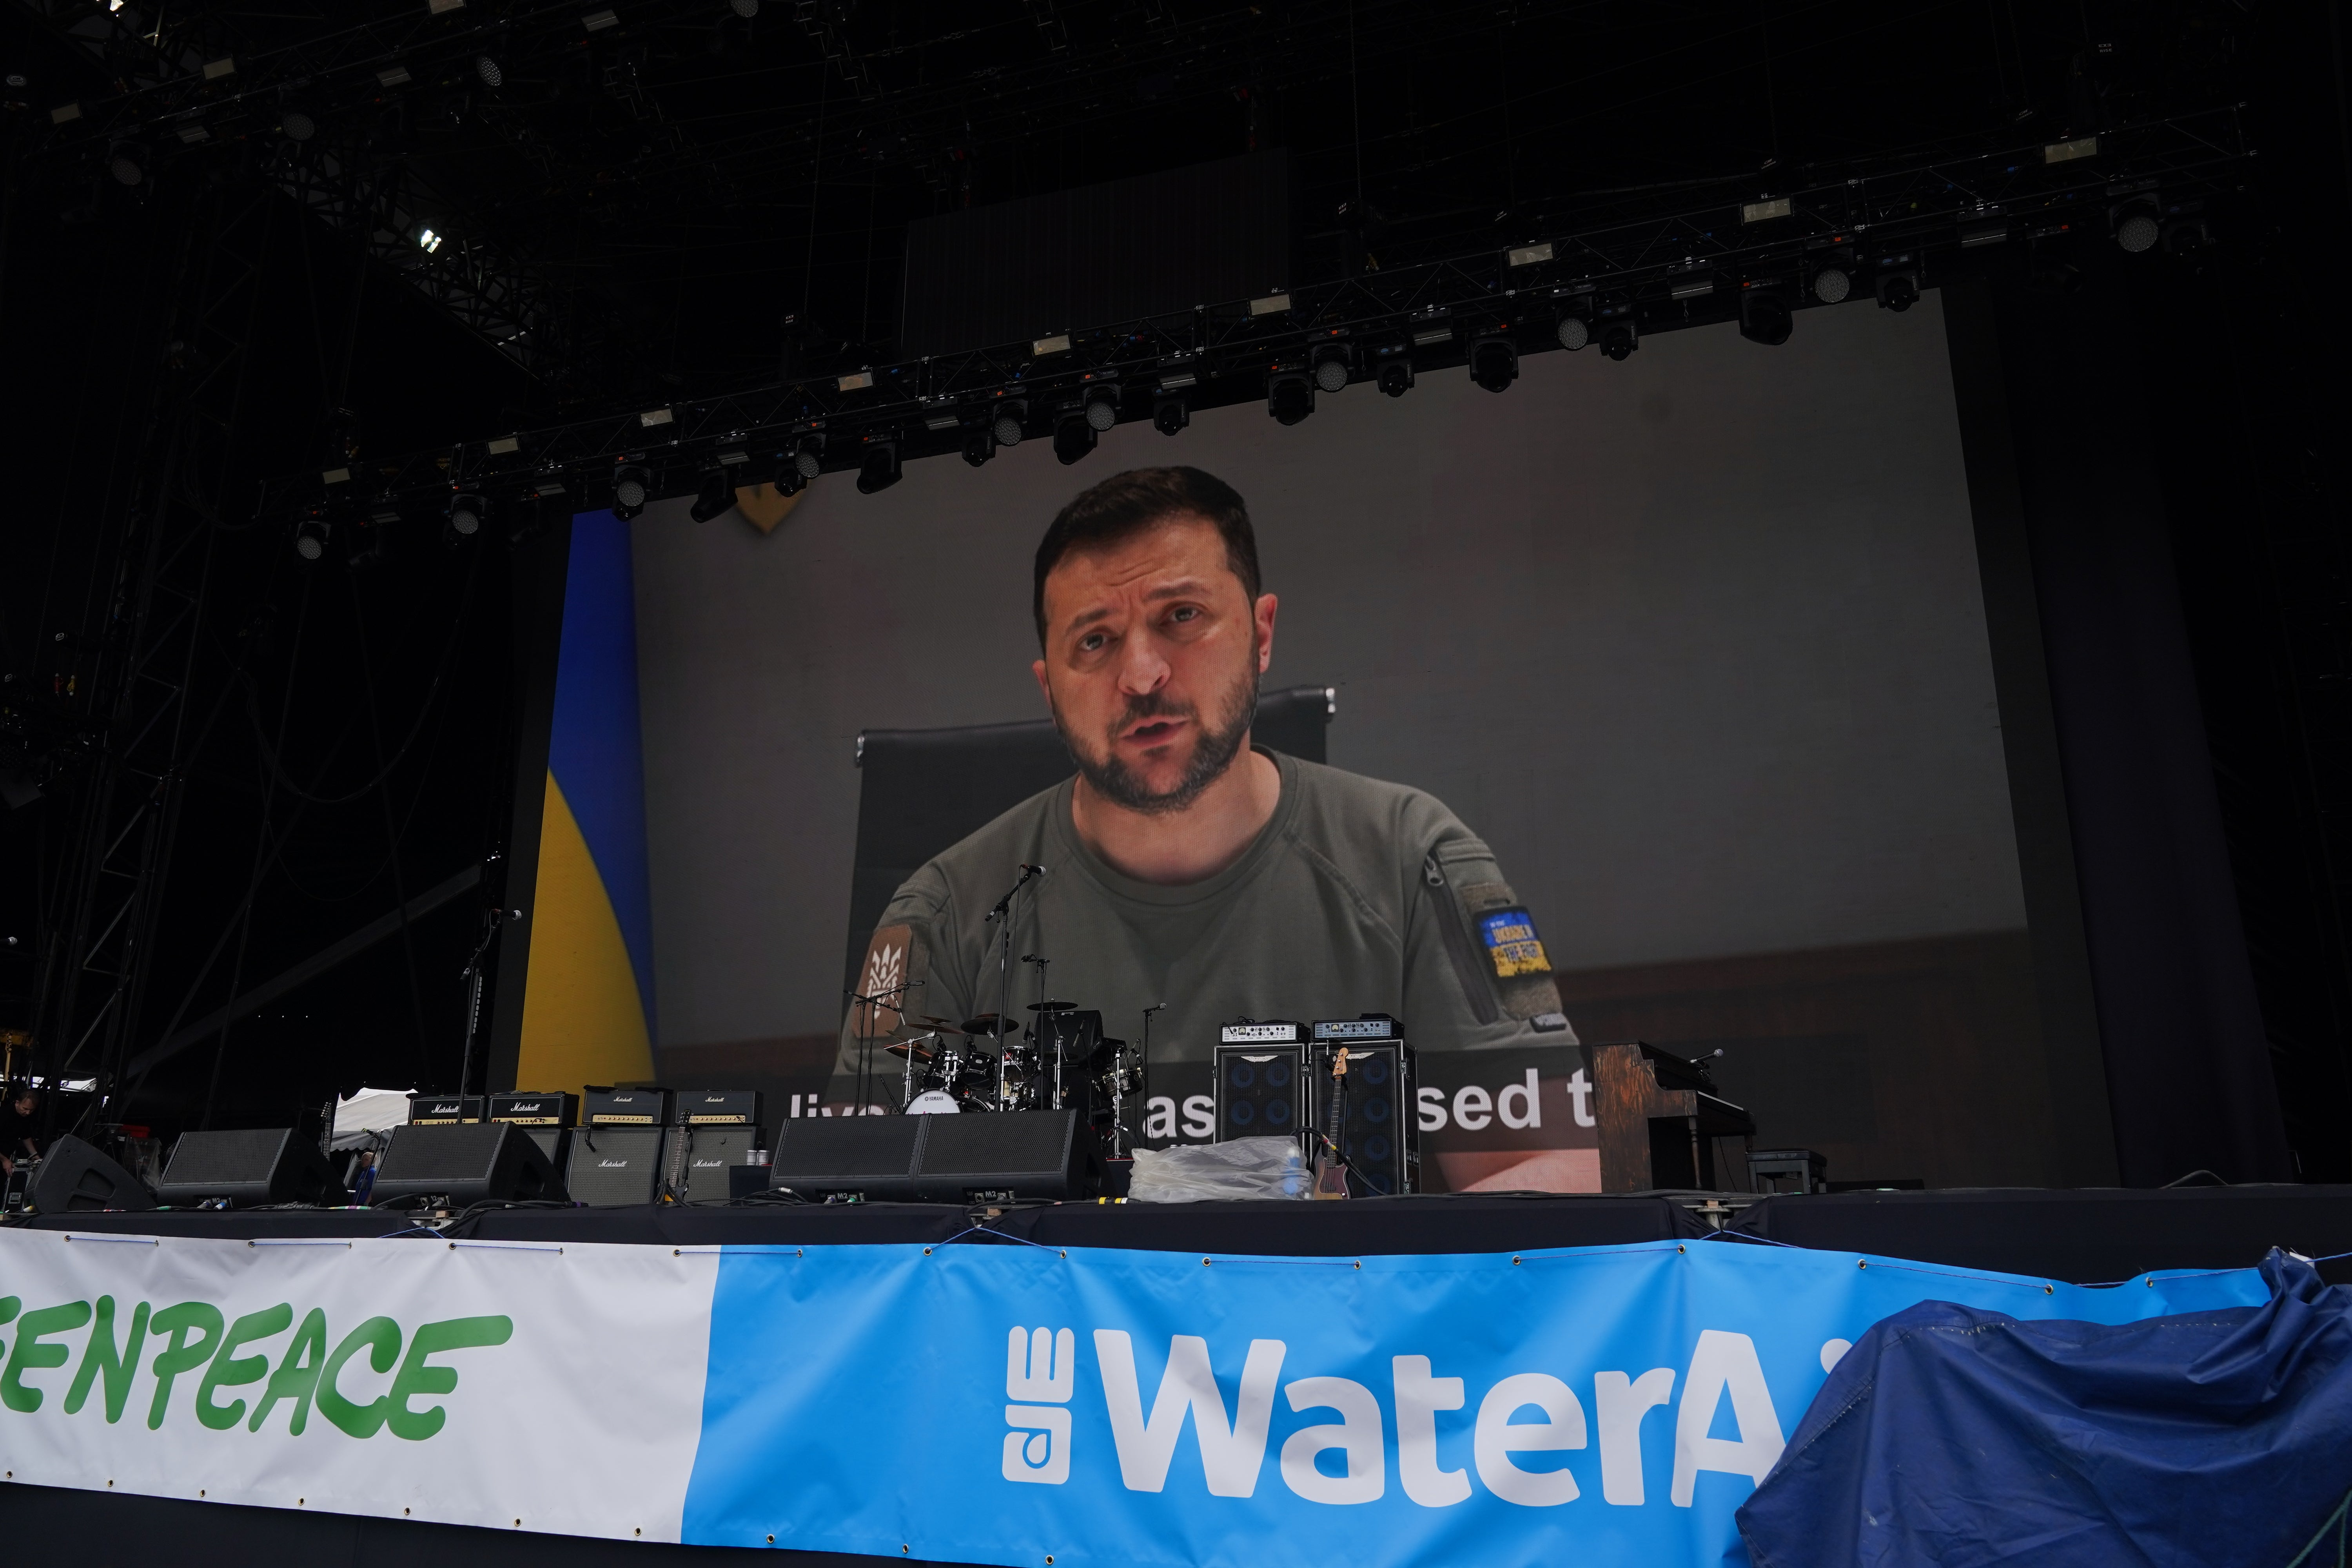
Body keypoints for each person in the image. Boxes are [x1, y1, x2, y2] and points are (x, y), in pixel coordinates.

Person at [834, 466, 1579, 1183]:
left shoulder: (1415, 860)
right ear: (1050, 689)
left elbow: (1552, 1167)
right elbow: (861, 1212)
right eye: (1094, 641)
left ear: (1261, 633)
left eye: (1181, 618)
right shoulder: (944, 914)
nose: (1142, 674)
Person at [0, 1083, 42, 1177]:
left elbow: (25, 1135)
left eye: (31, 1110)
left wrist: (34, 1155)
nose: (28, 1113)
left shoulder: (25, 1117)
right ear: (17, 1103)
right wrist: (4, 1160)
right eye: (25, 1109)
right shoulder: (3, 1115)